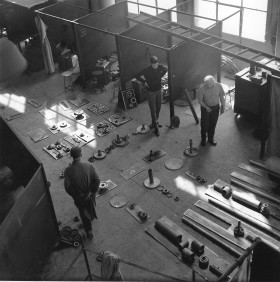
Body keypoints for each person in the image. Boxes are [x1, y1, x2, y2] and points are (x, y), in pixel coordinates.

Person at [64, 146, 100, 239]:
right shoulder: (89, 165)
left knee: (83, 213)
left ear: (71, 155)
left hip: (80, 198)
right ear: (81, 154)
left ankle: (89, 231)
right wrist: (92, 192)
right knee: (91, 205)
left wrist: (77, 195)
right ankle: (91, 215)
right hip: (90, 195)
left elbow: (68, 188)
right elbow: (97, 180)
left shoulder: (68, 171)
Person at [135, 56, 167, 136]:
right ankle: (156, 127)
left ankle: (154, 122)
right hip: (151, 92)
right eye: (154, 64)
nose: (156, 65)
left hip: (159, 90)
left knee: (158, 108)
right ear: (151, 64)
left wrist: (160, 76)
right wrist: (144, 81)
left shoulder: (159, 67)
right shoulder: (147, 70)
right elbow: (137, 75)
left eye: (156, 63)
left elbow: (166, 69)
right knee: (153, 110)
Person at [197, 75, 225, 146]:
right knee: (204, 125)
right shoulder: (201, 89)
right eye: (206, 84)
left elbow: (221, 96)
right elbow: (200, 101)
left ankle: (210, 139)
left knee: (213, 124)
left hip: (215, 108)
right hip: (205, 108)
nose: (208, 85)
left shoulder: (218, 86)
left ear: (213, 81)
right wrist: (206, 107)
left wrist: (223, 106)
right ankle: (203, 140)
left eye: (209, 83)